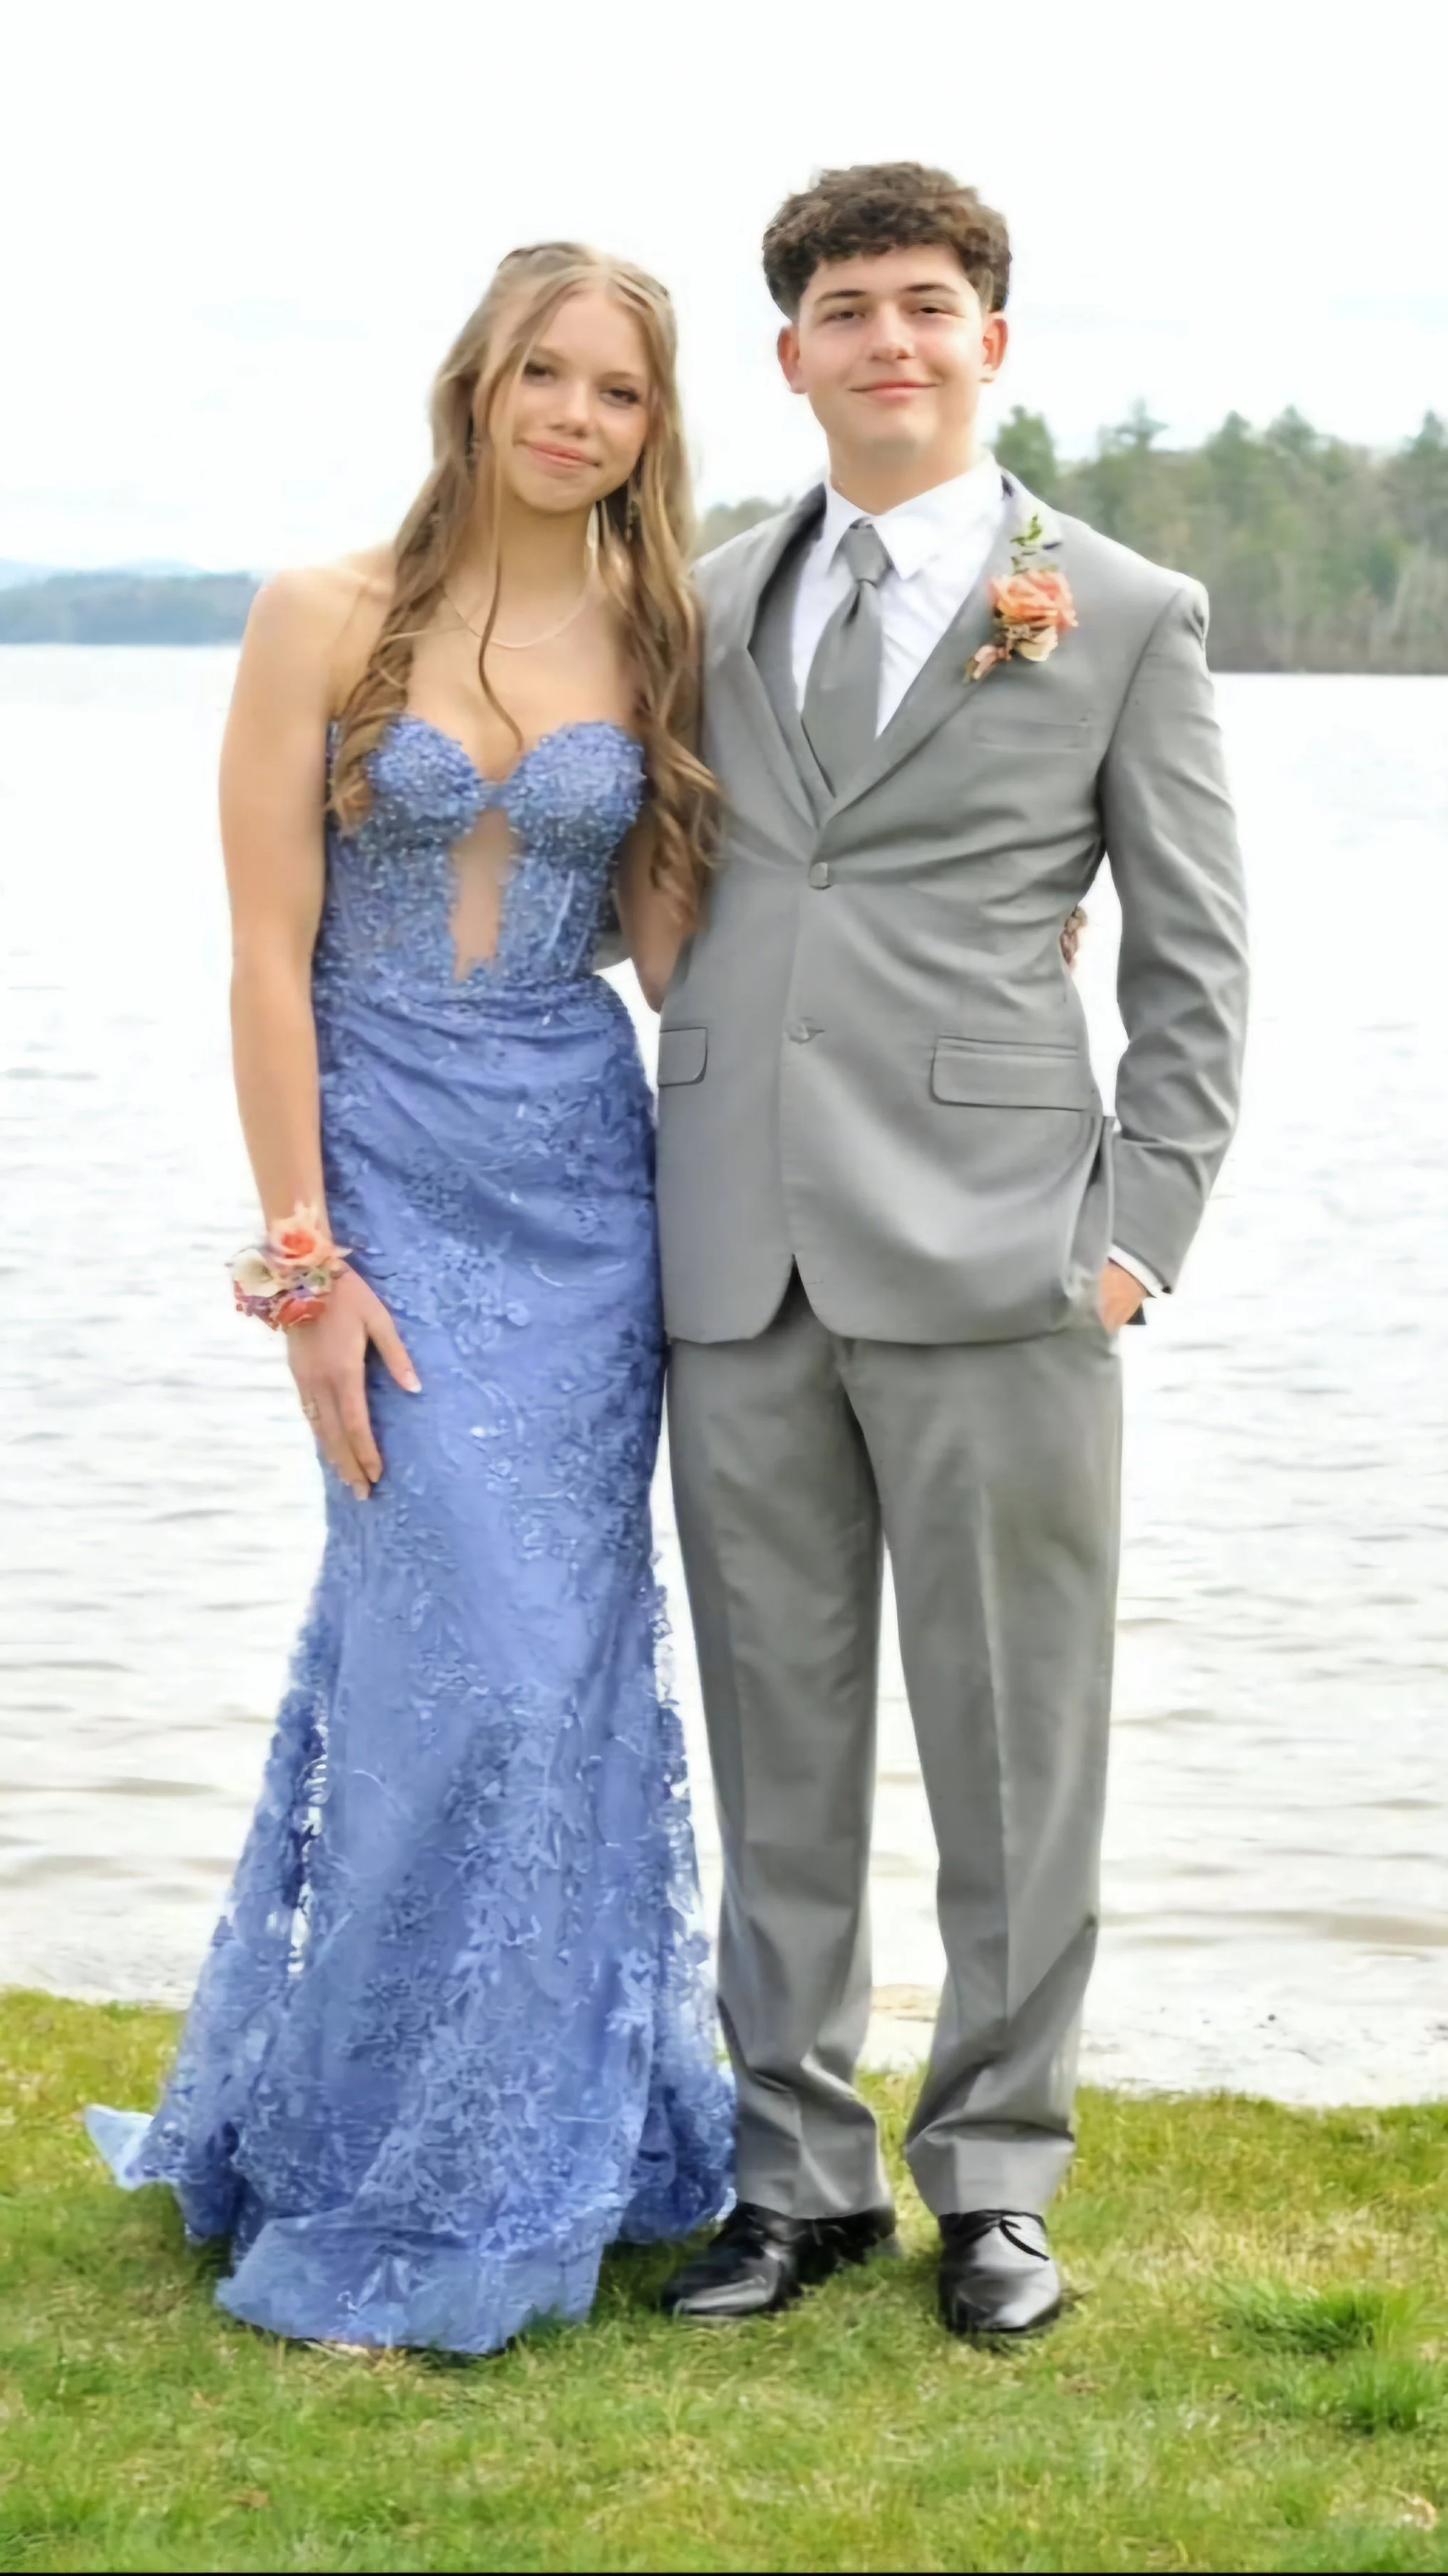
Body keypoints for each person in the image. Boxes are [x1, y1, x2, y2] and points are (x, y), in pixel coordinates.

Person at [87, 242, 733, 2354]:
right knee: (440, 1672)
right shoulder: (321, 615)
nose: (574, 415)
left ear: (652, 426)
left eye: (616, 393)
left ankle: (548, 2133)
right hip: (384, 1174)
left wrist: (989, 931)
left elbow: (675, 945)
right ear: (475, 383)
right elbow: (265, 956)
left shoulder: (658, 634)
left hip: (583, 1191)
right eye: (543, 373)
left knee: (554, 1683)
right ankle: (376, 2152)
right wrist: (307, 1265)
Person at [651, 165, 1249, 2337]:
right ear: (791, 352)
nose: (886, 340)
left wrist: (1135, 1243)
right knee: (771, 1740)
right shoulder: (698, 602)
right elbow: (658, 881)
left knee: (1018, 1744)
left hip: (1009, 1261)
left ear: (991, 341)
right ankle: (795, 2178)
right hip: (732, 1266)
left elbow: (1195, 959)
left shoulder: (1116, 606)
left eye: (926, 305)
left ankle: (996, 2179)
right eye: (843, 309)